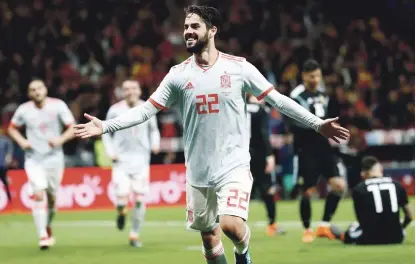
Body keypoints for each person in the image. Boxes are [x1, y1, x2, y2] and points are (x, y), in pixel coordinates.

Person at [73, 6, 349, 264]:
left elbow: (278, 100)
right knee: (208, 239)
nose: (188, 31)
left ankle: (243, 251)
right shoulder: (177, 75)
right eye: (185, 27)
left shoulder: (239, 68)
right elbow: (146, 111)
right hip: (198, 171)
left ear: (212, 30)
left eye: (195, 26)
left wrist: (316, 123)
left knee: (230, 224)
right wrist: (106, 126)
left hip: (234, 165)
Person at [8, 80, 75, 250]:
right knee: (38, 194)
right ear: (29, 94)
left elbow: (72, 127)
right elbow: (12, 128)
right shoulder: (24, 109)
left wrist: (60, 139)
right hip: (34, 158)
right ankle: (42, 236)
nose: (36, 92)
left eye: (39, 88)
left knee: (52, 199)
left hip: (54, 158)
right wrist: (22, 141)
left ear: (45, 89)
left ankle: (47, 226)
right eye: (32, 90)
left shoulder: (58, 105)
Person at [288, 59, 346, 243]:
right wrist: (317, 126)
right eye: (312, 76)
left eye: (318, 75)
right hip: (306, 149)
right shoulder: (296, 96)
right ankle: (307, 229)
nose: (315, 79)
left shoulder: (323, 95)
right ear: (304, 76)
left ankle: (324, 225)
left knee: (339, 186)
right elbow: (293, 122)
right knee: (307, 191)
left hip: (324, 148)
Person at [102, 80, 160, 247]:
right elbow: (105, 132)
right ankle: (121, 213)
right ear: (122, 92)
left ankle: (134, 234)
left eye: (133, 88)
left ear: (140, 90)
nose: (130, 91)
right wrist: (110, 152)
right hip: (121, 161)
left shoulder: (148, 107)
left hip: (141, 161)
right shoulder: (115, 110)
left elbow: (153, 129)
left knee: (140, 199)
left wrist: (155, 143)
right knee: (121, 200)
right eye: (126, 89)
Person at [331, 156, 413, 245]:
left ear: (363, 173)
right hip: (397, 237)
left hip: (369, 238)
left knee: (353, 227)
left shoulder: (359, 188)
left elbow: (362, 220)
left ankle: (343, 237)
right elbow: (410, 216)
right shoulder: (397, 185)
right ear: (380, 169)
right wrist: (401, 228)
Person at [246, 95, 285, 236]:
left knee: (242, 190)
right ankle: (272, 225)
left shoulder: (239, 107)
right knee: (268, 188)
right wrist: (269, 155)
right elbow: (264, 133)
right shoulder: (262, 110)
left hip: (241, 154)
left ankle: (231, 224)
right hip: (259, 154)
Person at [0, 131, 13, 203]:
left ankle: (9, 199)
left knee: (5, 183)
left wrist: (9, 156)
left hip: (2, 166)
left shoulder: (5, 140)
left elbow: (10, 148)